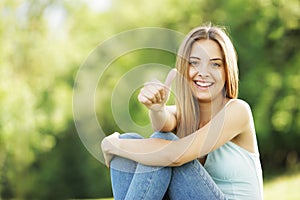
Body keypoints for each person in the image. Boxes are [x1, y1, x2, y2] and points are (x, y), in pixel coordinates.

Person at [101, 24, 263, 200]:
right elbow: (163, 122)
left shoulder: (238, 110)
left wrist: (112, 145)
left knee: (161, 147)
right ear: (184, 68)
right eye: (194, 63)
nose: (203, 73)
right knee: (131, 141)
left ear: (227, 71)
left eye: (215, 64)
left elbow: (175, 155)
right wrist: (157, 108)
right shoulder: (185, 115)